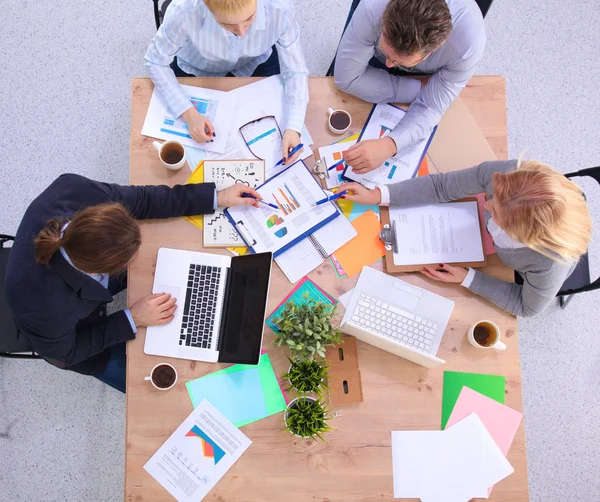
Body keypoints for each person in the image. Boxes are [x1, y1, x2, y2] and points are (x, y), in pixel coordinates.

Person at [4, 173, 263, 392]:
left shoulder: (71, 189)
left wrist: (216, 197)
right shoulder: (41, 306)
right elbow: (67, 353)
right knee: (170, 386)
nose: (136, 260)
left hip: (78, 291)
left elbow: (140, 200)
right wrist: (131, 318)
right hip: (75, 340)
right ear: (100, 271)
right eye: (129, 260)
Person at [339, 160, 592, 317]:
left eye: (496, 212)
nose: (487, 203)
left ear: (523, 237)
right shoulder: (510, 177)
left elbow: (526, 307)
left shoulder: (549, 263)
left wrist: (468, 278)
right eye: (492, 198)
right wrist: (379, 195)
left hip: (511, 266)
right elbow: (442, 186)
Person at [145, 0, 309, 165]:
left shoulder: (280, 7)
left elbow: (295, 70)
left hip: (255, 61)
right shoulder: (184, 11)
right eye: (227, 24)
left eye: (249, 18)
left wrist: (293, 126)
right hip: (198, 66)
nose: (242, 33)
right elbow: (155, 62)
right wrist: (189, 114)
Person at [334, 0, 485, 174]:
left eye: (398, 61)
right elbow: (347, 79)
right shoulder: (372, 7)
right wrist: (420, 90)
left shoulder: (468, 46)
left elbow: (431, 108)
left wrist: (390, 144)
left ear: (437, 46)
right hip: (377, 41)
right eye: (387, 54)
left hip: (428, 73)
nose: (389, 65)